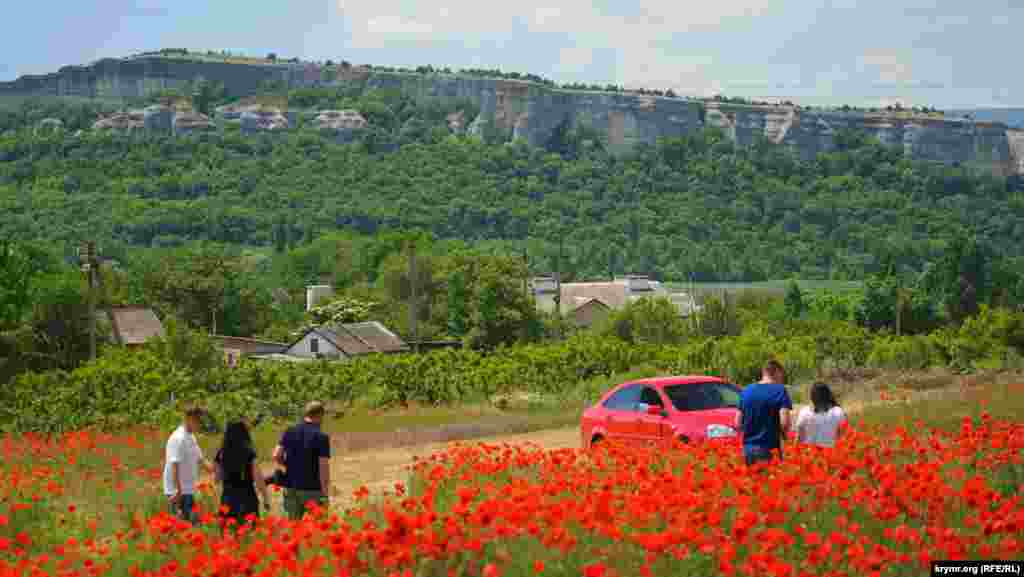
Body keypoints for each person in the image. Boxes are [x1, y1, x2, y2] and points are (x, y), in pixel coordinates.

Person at [273, 401, 331, 520]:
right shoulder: (321, 437)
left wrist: (288, 465)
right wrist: (325, 495)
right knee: (318, 530)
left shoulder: (289, 431)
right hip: (312, 489)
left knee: (293, 529)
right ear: (320, 415)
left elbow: (276, 455)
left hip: (291, 487)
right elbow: (323, 468)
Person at [214, 419, 271, 527]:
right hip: (247, 497)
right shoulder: (249, 452)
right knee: (248, 535)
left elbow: (217, 479)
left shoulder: (221, 453)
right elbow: (258, 478)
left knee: (229, 535)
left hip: (227, 498)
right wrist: (266, 498)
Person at [735, 360, 793, 466]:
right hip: (770, 450)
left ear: (764, 372)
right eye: (781, 376)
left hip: (748, 450)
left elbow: (737, 423)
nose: (781, 380)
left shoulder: (746, 391)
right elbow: (785, 423)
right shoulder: (780, 390)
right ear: (777, 372)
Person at [163, 406, 215, 523]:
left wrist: (218, 470)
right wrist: (178, 491)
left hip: (188, 489)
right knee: (182, 526)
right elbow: (174, 466)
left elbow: (201, 460)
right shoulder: (178, 438)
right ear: (188, 419)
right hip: (178, 491)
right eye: (198, 421)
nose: (200, 425)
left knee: (191, 524)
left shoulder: (191, 437)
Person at [795, 383, 847, 448]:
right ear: (828, 395)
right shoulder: (838, 412)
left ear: (812, 397)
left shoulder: (804, 412)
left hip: (808, 453)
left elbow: (798, 437)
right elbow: (843, 436)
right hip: (831, 453)